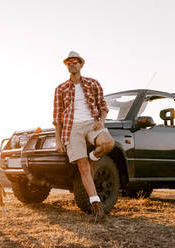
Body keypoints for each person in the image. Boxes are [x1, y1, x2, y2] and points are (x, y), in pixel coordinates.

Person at [53, 51, 115, 221]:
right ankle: (96, 205)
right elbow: (57, 117)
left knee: (108, 143)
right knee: (83, 167)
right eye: (68, 62)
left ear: (81, 64)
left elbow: (103, 105)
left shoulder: (93, 83)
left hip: (92, 124)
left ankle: (92, 157)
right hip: (72, 129)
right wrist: (58, 139)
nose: (72, 64)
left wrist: (101, 121)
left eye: (75, 61)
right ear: (67, 66)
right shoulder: (60, 89)